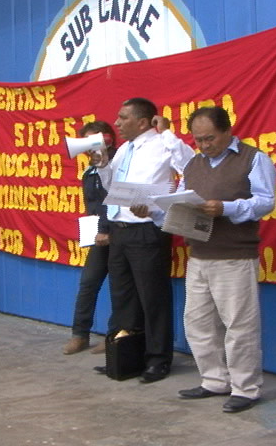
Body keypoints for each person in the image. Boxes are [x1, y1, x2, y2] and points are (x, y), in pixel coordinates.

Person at [175, 106, 276, 413]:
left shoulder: (252, 158)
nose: (204, 145)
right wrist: (157, 209)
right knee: (198, 322)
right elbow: (180, 199)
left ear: (228, 131)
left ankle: (246, 388)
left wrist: (227, 208)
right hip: (199, 254)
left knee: (239, 325)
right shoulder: (193, 164)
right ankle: (214, 380)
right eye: (198, 140)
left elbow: (266, 201)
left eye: (210, 138)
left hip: (234, 255)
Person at [101, 98, 195, 382]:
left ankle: (157, 360)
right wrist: (103, 165)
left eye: (123, 117)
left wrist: (167, 133)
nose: (116, 123)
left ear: (142, 122)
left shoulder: (162, 144)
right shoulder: (124, 149)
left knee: (153, 298)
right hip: (120, 229)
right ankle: (127, 355)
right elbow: (111, 187)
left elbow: (191, 166)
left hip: (146, 229)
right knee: (123, 297)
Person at [63, 121, 117, 354]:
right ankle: (80, 334)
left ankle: (114, 336)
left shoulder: (117, 163)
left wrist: (105, 228)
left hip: (116, 232)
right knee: (88, 283)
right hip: (99, 234)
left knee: (119, 287)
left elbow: (112, 199)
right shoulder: (90, 170)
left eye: (92, 140)